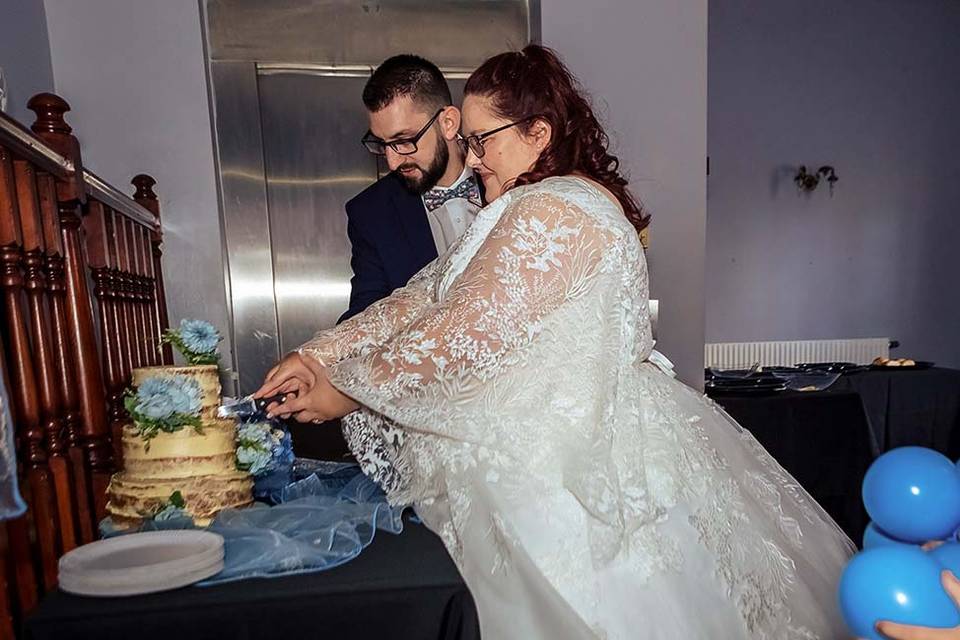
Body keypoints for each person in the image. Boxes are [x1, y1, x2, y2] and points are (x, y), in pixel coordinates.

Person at [257, 45, 855, 638]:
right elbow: (418, 298)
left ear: (538, 133)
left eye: (482, 139)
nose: (473, 156)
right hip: (542, 437)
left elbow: (471, 326)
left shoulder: (559, 207)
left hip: (576, 458)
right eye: (467, 141)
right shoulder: (525, 206)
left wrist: (347, 389)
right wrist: (318, 355)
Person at [342, 54, 482, 322]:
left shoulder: (509, 180)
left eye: (404, 141)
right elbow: (364, 316)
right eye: (382, 145)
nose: (393, 162)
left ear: (448, 123)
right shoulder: (370, 214)